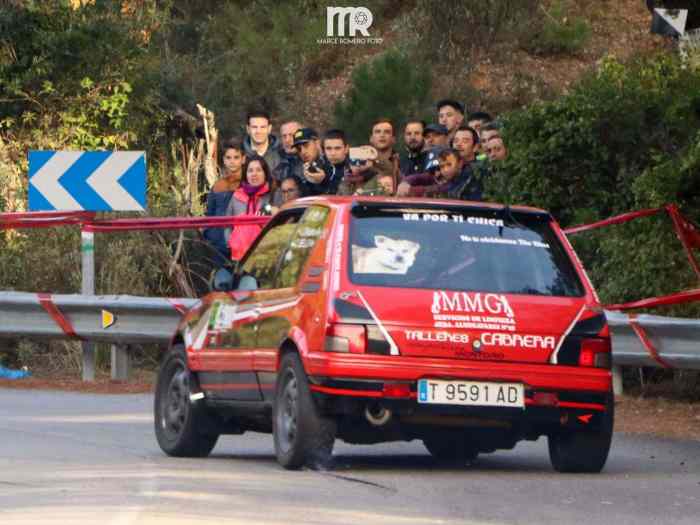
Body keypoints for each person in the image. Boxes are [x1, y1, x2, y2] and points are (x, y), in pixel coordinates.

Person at [224, 155, 274, 262]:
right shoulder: (237, 195)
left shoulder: (272, 194)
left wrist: (269, 208)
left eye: (258, 170)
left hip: (264, 256)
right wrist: (230, 242)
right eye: (250, 170)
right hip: (237, 256)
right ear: (245, 174)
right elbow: (227, 224)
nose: (254, 174)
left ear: (265, 173)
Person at [203, 140, 245, 260]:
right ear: (224, 160)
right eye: (228, 157)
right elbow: (210, 214)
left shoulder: (248, 184)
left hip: (242, 242)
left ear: (243, 159)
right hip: (218, 244)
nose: (232, 161)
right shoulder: (218, 185)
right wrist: (209, 234)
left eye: (236, 157)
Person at [243, 110, 282, 177]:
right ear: (248, 129)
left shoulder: (281, 152)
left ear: (269, 128)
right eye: (254, 127)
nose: (258, 131)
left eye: (263, 127)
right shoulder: (239, 153)